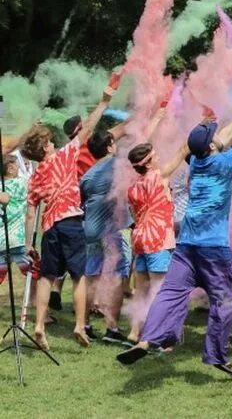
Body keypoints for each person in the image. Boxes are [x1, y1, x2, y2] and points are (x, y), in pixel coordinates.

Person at [117, 106, 232, 374]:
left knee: (170, 294)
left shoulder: (196, 162)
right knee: (223, 300)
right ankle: (216, 355)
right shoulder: (225, 162)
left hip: (186, 246)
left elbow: (219, 139)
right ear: (211, 145)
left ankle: (147, 338)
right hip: (214, 250)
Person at [25, 69, 121, 350]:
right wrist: (103, 102)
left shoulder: (36, 175)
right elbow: (87, 129)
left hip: (49, 229)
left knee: (46, 277)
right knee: (79, 276)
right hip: (70, 222)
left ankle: (40, 325)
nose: (54, 143)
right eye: (50, 141)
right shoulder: (63, 157)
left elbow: (32, 211)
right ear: (45, 147)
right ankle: (80, 325)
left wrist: (31, 245)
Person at [125, 138, 189, 342]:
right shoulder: (158, 176)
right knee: (158, 289)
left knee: (140, 290)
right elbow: (183, 149)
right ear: (149, 161)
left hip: (140, 239)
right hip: (157, 240)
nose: (159, 158)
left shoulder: (133, 186)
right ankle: (154, 334)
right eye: (155, 155)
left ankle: (135, 332)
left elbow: (134, 215)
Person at [79, 129, 133, 344]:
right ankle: (112, 328)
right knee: (118, 276)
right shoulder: (116, 165)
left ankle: (85, 325)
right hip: (110, 231)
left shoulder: (86, 176)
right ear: (110, 146)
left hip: (90, 230)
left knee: (91, 277)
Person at [0, 155, 35, 295]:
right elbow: (35, 183)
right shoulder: (20, 184)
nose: (19, 168)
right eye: (17, 165)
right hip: (18, 241)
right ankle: (34, 302)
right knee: (34, 272)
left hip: (1, 241)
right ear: (10, 168)